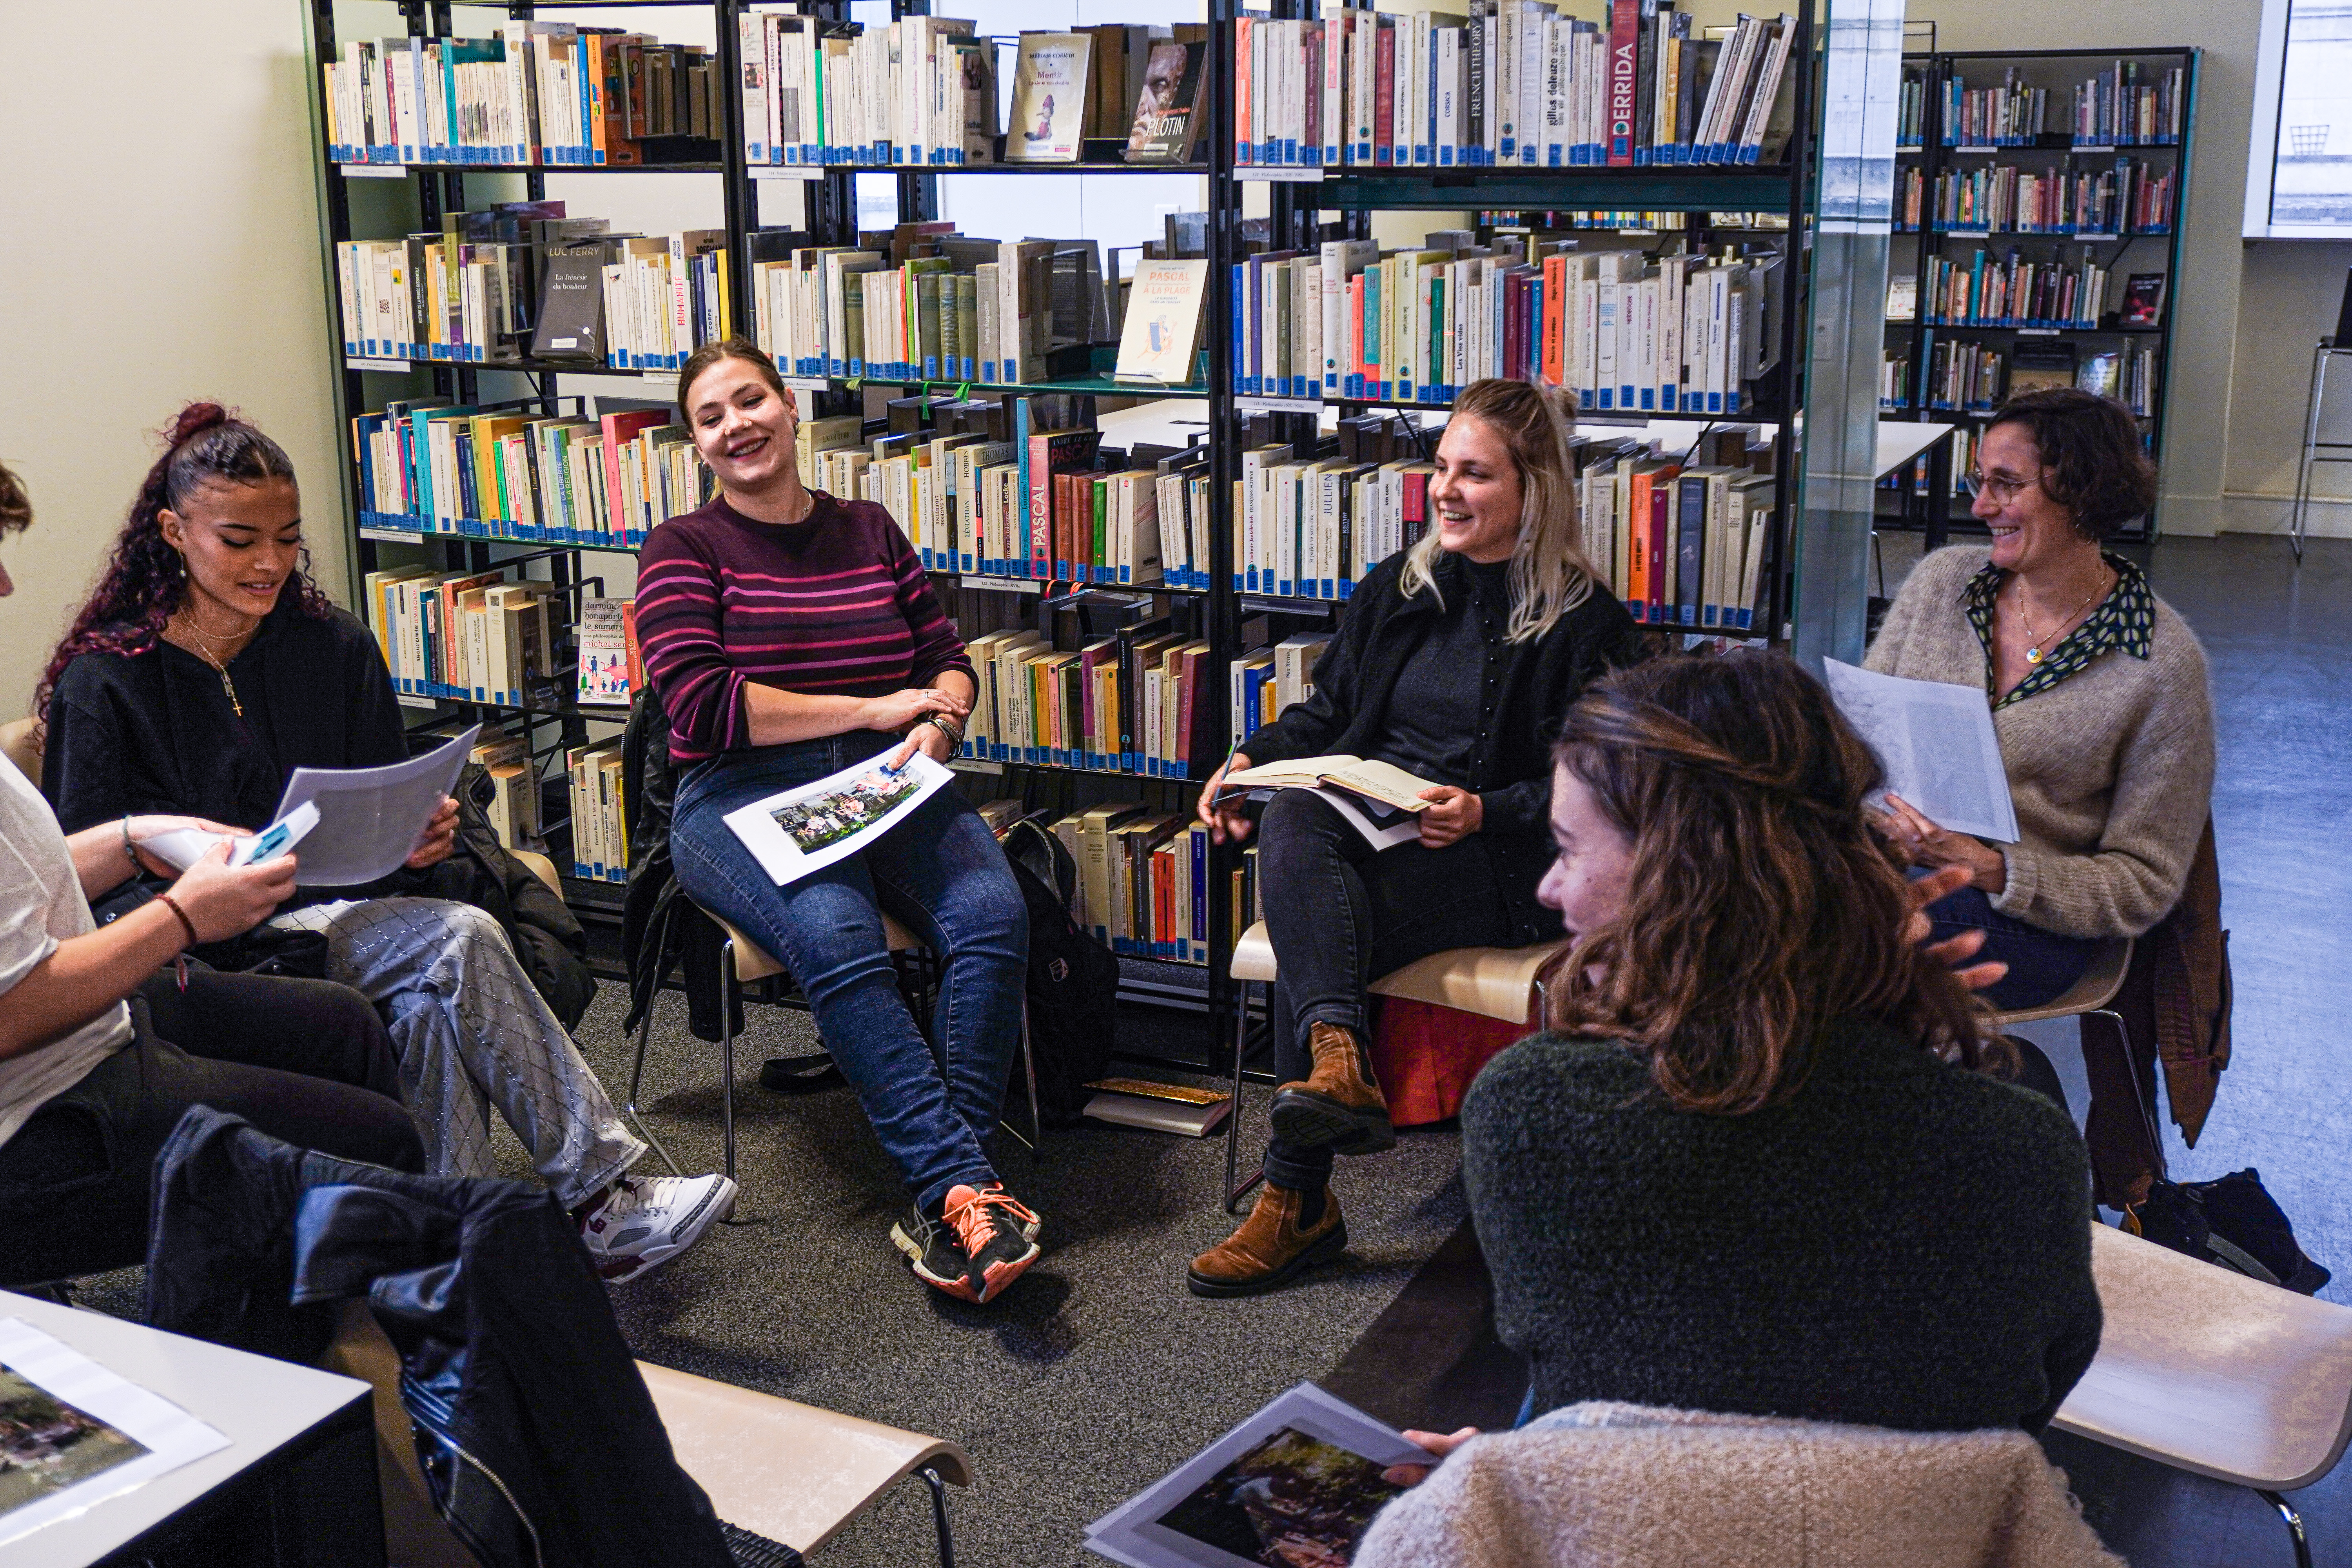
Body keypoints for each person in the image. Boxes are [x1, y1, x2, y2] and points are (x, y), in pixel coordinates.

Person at [36, 405, 734, 1284]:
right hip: (197, 954)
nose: (269, 564)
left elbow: (375, 805)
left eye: (288, 538)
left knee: (430, 997)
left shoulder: (332, 645)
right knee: (455, 943)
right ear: (174, 533)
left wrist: (420, 834)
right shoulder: (109, 679)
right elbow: (78, 880)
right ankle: (597, 1195)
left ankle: (450, 1259)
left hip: (337, 914)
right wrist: (192, 894)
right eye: (239, 539)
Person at [1452, 653, 2099, 1441]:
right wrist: (1889, 1016)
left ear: (1675, 873)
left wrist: (1509, 1473)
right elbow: (2025, 1404)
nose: (1550, 890)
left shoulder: (1531, 1109)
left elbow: (1591, 1395)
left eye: (1567, 848)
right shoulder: (2026, 1145)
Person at [1187, 377, 1645, 1299]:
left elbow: (1605, 784)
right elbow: (1329, 714)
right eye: (1441, 467)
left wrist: (1487, 809)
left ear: (1534, 488)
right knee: (1297, 812)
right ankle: (1337, 1070)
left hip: (1498, 858)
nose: (1445, 490)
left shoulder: (1588, 623)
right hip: (1373, 824)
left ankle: (1297, 1196)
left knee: (1316, 927)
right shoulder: (1401, 585)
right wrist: (1248, 765)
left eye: (1474, 474)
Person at [637, 338, 1038, 1306]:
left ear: (789, 405)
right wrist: (867, 709)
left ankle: (954, 1192)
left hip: (887, 778)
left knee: (994, 915)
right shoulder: (681, 549)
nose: (737, 424)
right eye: (711, 415)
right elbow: (702, 708)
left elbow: (947, 655)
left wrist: (940, 719)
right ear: (698, 444)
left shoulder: (868, 525)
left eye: (750, 400)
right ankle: (965, 1190)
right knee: (839, 934)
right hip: (737, 794)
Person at [0, 457, 423, 1287]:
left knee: (344, 1025)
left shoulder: (326, 642)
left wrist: (133, 835)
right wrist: (185, 916)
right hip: (39, 1109)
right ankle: (285, 1381)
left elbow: (27, 877)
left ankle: (359, 1323)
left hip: (84, 1032)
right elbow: (13, 1011)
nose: (8, 583)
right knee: (379, 1142)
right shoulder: (112, 673)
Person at [1866, 387, 2215, 1011]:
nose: (1980, 506)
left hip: (2026, 921)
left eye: (2006, 484)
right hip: (1882, 869)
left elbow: (2144, 883)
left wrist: (1992, 868)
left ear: (2084, 492)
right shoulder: (1942, 584)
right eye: (1981, 481)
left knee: (1833, 938)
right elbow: (1859, 748)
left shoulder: (2161, 664)